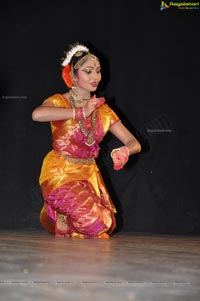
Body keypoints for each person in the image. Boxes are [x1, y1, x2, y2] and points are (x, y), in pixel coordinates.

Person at [32, 42, 141, 239]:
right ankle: (57, 207)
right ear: (73, 76)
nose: (95, 77)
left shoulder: (103, 110)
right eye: (88, 71)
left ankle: (63, 213)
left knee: (107, 223)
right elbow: (37, 114)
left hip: (88, 176)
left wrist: (125, 150)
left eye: (98, 71)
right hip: (59, 174)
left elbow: (135, 142)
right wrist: (80, 112)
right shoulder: (60, 101)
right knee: (96, 224)